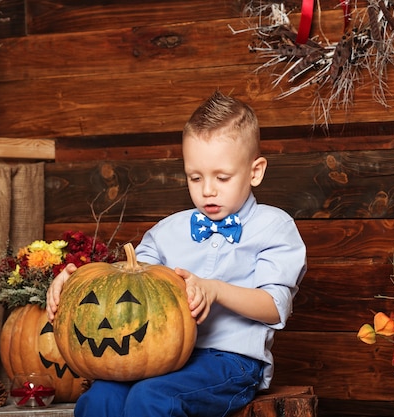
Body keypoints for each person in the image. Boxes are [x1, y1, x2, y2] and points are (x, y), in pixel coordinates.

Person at [46, 90, 307, 417]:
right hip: (161, 354)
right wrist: (73, 287)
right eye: (195, 177)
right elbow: (127, 284)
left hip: (231, 361)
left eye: (221, 177)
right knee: (102, 397)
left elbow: (274, 307)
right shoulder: (167, 231)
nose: (207, 189)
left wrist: (215, 290)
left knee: (153, 398)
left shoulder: (273, 226)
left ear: (255, 171)